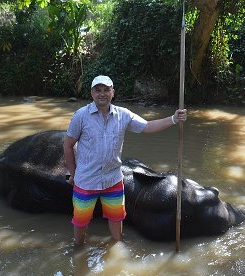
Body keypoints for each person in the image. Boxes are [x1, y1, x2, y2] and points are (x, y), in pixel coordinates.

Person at [64, 75, 187, 245]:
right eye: (98, 90)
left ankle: (117, 249)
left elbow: (148, 127)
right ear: (92, 93)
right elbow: (68, 144)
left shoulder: (123, 115)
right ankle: (78, 249)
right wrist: (73, 174)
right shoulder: (81, 116)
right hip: (85, 180)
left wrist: (173, 119)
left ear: (112, 92)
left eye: (106, 90)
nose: (102, 94)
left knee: (116, 222)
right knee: (81, 221)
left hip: (113, 180)